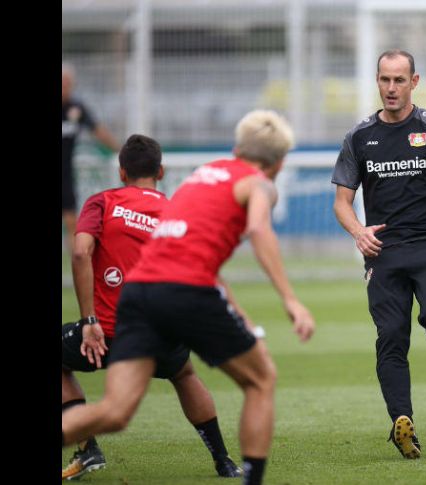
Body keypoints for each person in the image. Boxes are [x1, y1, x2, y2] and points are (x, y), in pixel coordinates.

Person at [62, 110, 316, 485]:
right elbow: (260, 230)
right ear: (279, 163)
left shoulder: (202, 176)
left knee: (115, 411)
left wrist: (241, 315)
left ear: (236, 149)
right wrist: (290, 299)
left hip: (139, 295)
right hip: (185, 290)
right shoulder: (259, 184)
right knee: (261, 380)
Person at [332, 49, 426, 459]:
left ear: (414, 82)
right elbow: (342, 203)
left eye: (399, 80)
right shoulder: (359, 137)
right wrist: (358, 232)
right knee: (391, 335)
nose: (391, 88)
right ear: (377, 81)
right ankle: (403, 422)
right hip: (384, 250)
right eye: (385, 79)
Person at [62, 134, 242, 480]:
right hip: (160, 333)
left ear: (121, 172)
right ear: (160, 171)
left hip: (105, 333)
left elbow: (81, 252)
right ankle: (224, 461)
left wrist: (88, 320)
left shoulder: (102, 202)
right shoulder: (177, 212)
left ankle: (87, 447)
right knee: (184, 374)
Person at [62, 62, 121, 252]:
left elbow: (98, 130)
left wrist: (121, 150)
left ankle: (74, 263)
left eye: (67, 83)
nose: (64, 87)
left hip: (65, 173)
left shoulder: (76, 108)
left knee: (71, 220)